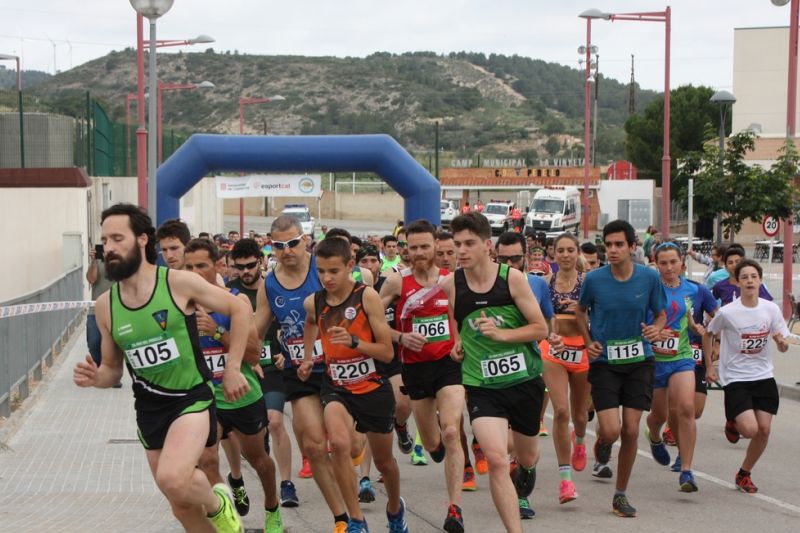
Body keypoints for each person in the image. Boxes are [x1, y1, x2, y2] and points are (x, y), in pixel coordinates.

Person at [73, 203, 248, 532]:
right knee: (180, 504)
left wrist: (234, 368)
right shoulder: (105, 306)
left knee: (173, 476)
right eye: (104, 240)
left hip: (192, 398)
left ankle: (218, 503)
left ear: (141, 240)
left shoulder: (178, 283)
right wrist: (98, 378)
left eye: (117, 238)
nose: (108, 247)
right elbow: (112, 369)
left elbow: (240, 310)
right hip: (150, 408)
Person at [442, 212, 549, 533]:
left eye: (469, 243)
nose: (461, 250)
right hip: (482, 384)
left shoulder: (511, 279)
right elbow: (457, 327)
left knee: (526, 455)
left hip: (525, 380)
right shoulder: (450, 285)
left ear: (487, 245)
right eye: (456, 244)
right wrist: (458, 345)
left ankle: (528, 469)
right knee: (498, 460)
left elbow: (540, 328)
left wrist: (503, 335)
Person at [300, 237, 409, 533]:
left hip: (373, 387)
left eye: (333, 270)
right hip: (337, 387)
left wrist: (355, 342)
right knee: (336, 444)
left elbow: (386, 352)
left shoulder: (366, 297)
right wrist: (310, 357)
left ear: (350, 265)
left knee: (385, 463)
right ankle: (356, 520)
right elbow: (310, 322)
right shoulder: (315, 300)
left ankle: (396, 509)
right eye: (321, 271)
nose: (327, 278)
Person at [255, 215, 350, 533]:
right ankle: (341, 518)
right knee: (312, 445)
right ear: (271, 245)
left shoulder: (322, 270)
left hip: (342, 363)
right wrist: (245, 357)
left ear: (305, 240)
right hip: (303, 371)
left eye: (293, 243)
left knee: (344, 442)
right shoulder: (270, 283)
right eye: (279, 245)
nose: (287, 251)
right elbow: (256, 329)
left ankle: (359, 458)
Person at [184, 239, 284, 532]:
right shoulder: (178, 307)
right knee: (206, 459)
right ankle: (227, 521)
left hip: (241, 394)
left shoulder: (235, 301)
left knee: (259, 460)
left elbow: (253, 354)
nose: (193, 272)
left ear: (218, 266)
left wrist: (215, 331)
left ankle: (272, 506)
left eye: (200, 265)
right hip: (204, 398)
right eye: (188, 266)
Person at [575, 219, 666, 518]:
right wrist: (588, 342)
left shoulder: (648, 279)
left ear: (632, 246)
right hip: (605, 363)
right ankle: (602, 442)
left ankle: (620, 494)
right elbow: (580, 311)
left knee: (630, 429)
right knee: (612, 430)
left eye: (618, 245)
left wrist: (655, 329)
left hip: (640, 360)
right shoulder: (594, 279)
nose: (612, 250)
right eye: (608, 245)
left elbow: (661, 314)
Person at [379, 219, 466, 532]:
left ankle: (454, 510)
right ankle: (432, 444)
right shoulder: (395, 283)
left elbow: (458, 315)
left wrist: (459, 340)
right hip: (414, 368)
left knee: (453, 431)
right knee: (433, 444)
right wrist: (400, 337)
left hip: (448, 365)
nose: (418, 252)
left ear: (435, 247)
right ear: (406, 249)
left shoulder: (450, 280)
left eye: (424, 247)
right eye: (412, 247)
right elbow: (372, 321)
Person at [705, 258, 790, 493]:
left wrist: (782, 343)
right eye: (745, 277)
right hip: (736, 377)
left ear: (760, 280)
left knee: (764, 430)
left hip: (763, 375)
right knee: (750, 430)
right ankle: (733, 419)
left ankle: (744, 473)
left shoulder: (770, 308)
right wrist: (710, 367)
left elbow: (781, 339)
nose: (750, 280)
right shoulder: (728, 312)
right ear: (738, 282)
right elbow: (708, 333)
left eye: (754, 277)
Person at [228, 238, 299, 508]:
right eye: (240, 267)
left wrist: (286, 353)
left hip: (273, 367)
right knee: (236, 434)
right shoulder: (229, 294)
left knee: (276, 421)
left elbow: (294, 323)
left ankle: (287, 484)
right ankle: (236, 477)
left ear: (260, 261)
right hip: (245, 368)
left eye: (250, 265)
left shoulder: (273, 288)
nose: (246, 271)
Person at [495, 230, 556, 517]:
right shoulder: (483, 284)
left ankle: (524, 473)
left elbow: (545, 319)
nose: (510, 264)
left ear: (526, 255)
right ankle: (515, 495)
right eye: (503, 259)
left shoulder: (536, 284)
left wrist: (552, 337)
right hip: (492, 371)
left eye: (516, 258)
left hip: (527, 369)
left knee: (523, 441)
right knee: (500, 441)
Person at [355, 244, 413, 503]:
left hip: (392, 354)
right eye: (363, 261)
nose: (369, 265)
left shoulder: (390, 286)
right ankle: (365, 478)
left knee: (402, 404)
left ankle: (401, 426)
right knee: (367, 421)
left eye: (372, 260)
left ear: (379, 264)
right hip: (365, 357)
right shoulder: (352, 293)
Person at [643, 242, 703, 493]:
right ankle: (654, 434)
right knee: (660, 416)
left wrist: (698, 329)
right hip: (655, 361)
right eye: (663, 263)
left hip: (682, 357)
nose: (669, 267)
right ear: (656, 264)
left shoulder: (694, 289)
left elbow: (706, 314)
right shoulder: (648, 290)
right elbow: (638, 322)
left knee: (686, 408)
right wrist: (652, 333)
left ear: (682, 263)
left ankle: (687, 470)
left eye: (673, 262)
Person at [539, 233, 590, 505]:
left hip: (581, 350)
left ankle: (579, 440)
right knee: (561, 411)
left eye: (571, 250)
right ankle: (565, 480)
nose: (566, 255)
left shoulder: (588, 283)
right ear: (554, 254)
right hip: (554, 350)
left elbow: (599, 315)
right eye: (561, 250)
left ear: (577, 252)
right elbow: (540, 316)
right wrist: (550, 332)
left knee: (580, 414)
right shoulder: (546, 283)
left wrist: (583, 312)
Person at [86, 244, 121, 387]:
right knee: (94, 342)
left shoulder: (121, 263)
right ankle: (100, 372)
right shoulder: (98, 262)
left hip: (116, 310)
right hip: (95, 310)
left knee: (114, 344)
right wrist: (94, 261)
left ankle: (113, 376)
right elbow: (91, 279)